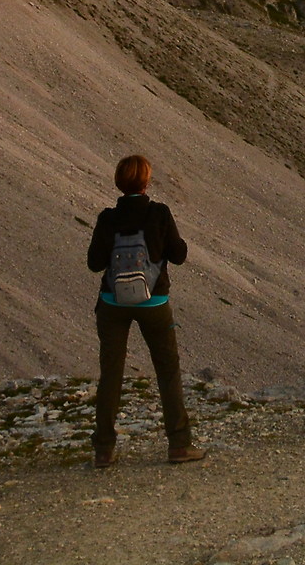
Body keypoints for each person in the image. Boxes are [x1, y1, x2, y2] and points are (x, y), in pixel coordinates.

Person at [87, 153, 200, 467]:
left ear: (120, 182)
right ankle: (178, 444)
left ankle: (103, 450)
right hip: (154, 302)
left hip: (112, 303)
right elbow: (178, 255)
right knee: (167, 371)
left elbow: (94, 263)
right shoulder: (159, 213)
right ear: (146, 182)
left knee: (110, 374)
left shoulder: (107, 218)